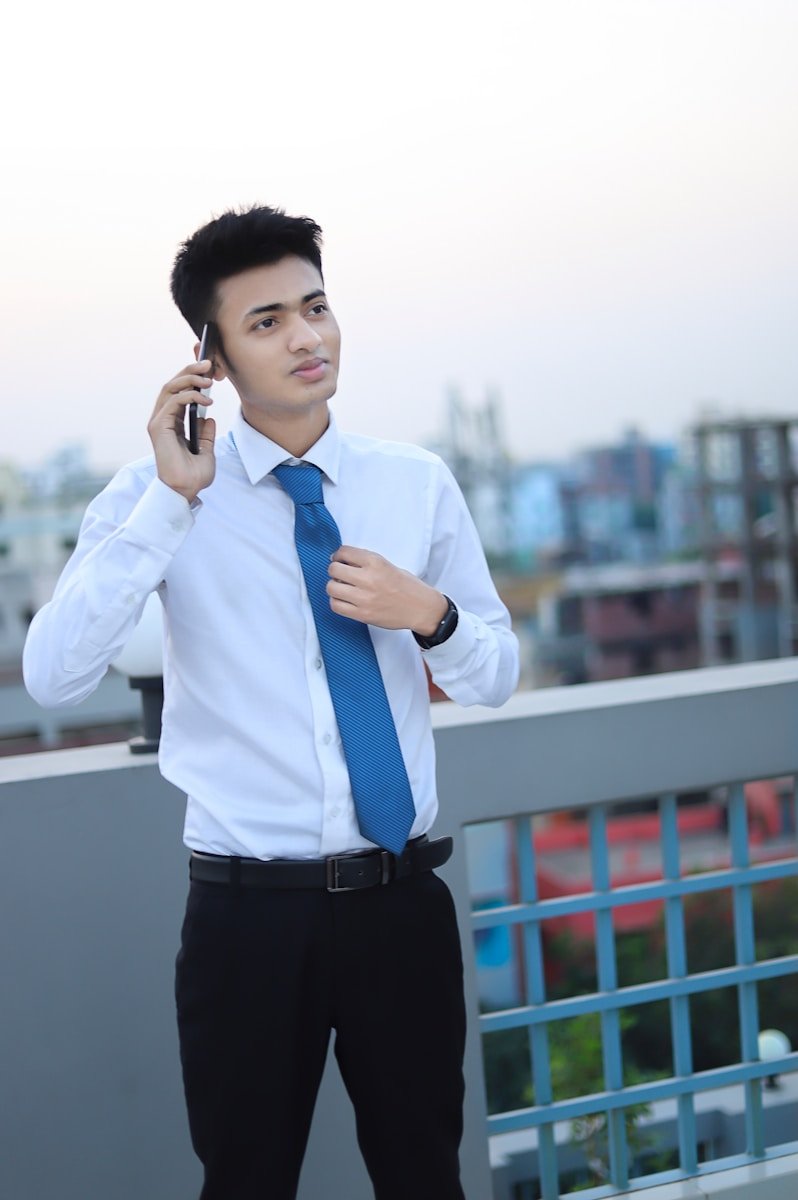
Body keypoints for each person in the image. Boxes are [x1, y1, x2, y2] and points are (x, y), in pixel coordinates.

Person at [23, 205, 520, 1200]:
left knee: (427, 1178)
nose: (305, 337)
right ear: (210, 355)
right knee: (247, 1182)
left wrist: (427, 614)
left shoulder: (414, 484)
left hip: (402, 906)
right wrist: (173, 500)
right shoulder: (153, 495)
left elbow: (496, 674)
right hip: (248, 921)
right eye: (265, 322)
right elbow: (53, 676)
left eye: (315, 307)